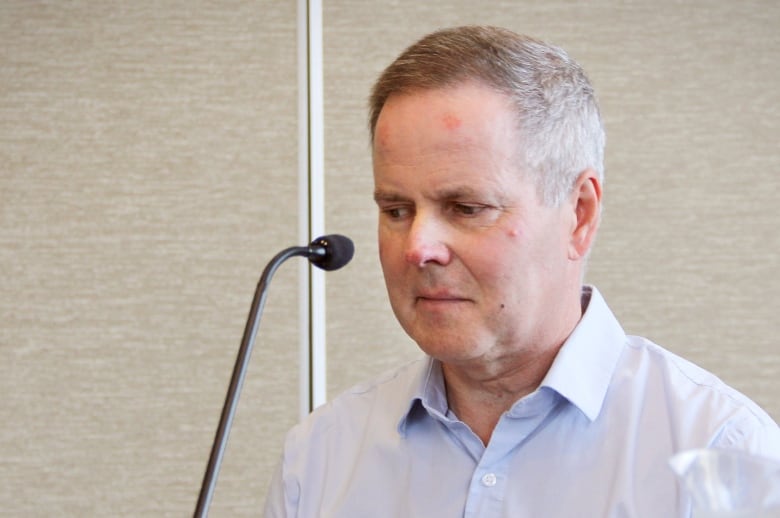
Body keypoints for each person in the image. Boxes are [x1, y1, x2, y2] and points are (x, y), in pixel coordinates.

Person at [264, 26, 780, 517]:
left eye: (466, 208)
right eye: (396, 210)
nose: (418, 248)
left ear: (579, 214)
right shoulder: (319, 461)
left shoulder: (722, 451)